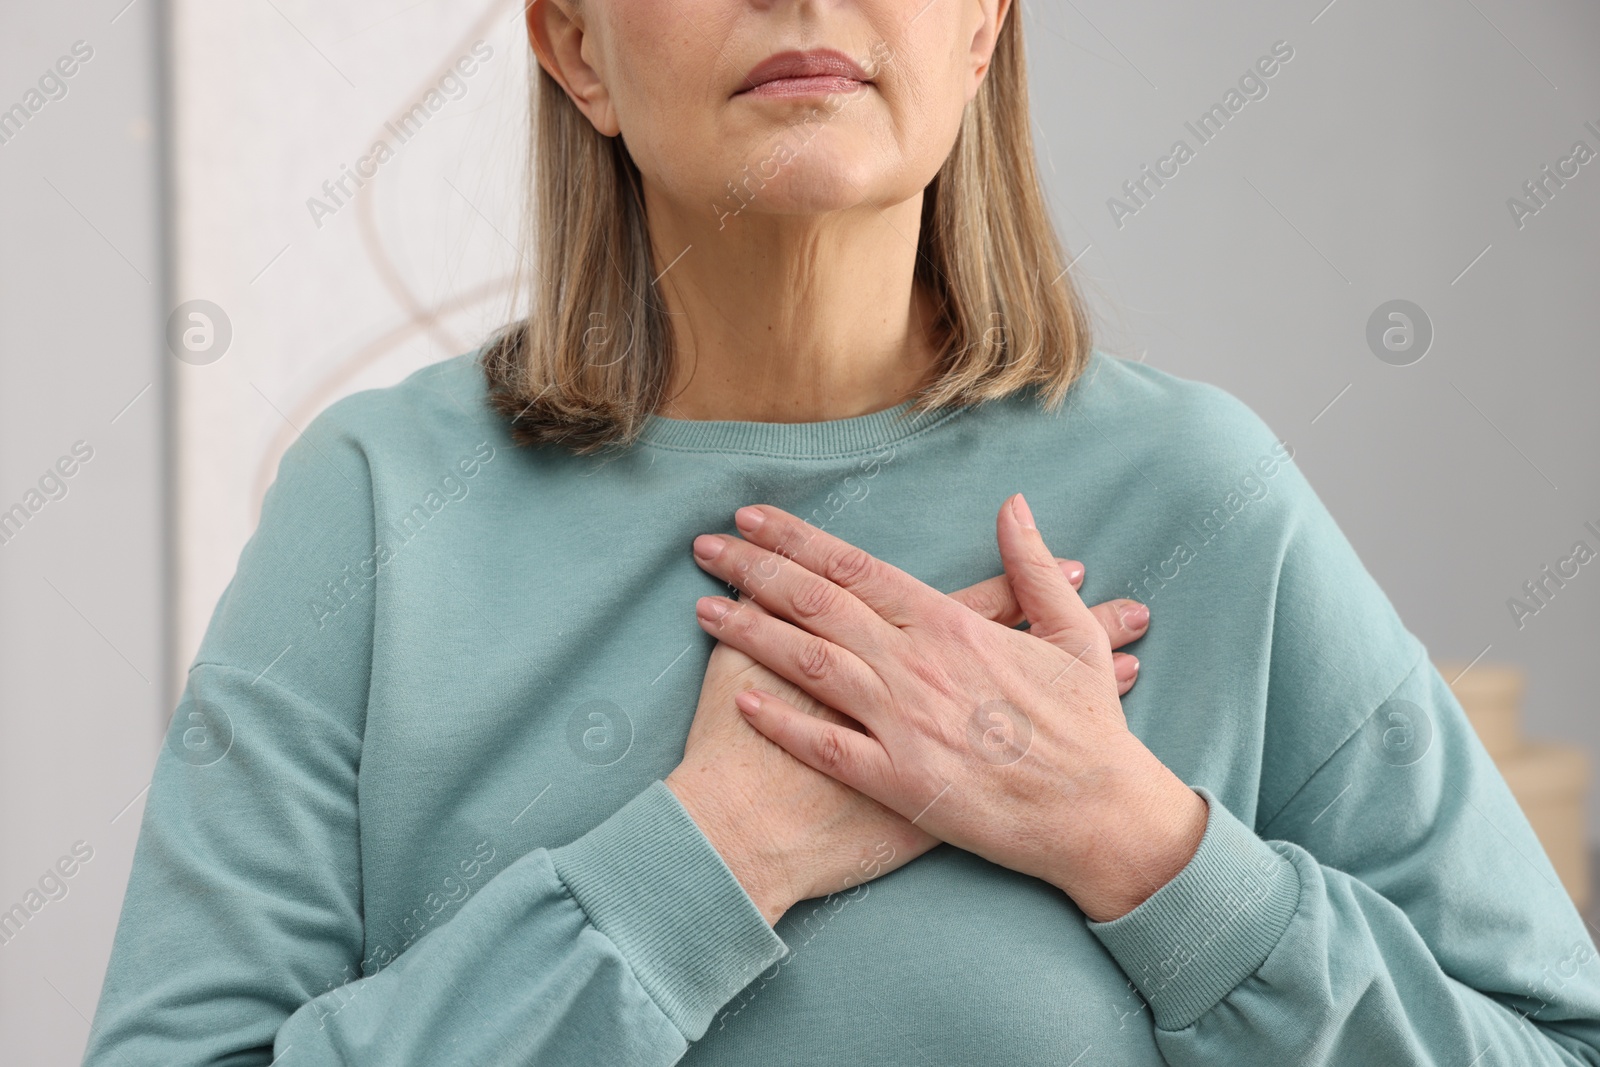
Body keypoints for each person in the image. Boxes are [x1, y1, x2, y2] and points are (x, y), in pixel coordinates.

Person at [84, 1, 1600, 1064]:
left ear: (982, 27)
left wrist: (1136, 845)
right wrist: (710, 857)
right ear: (573, 46)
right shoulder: (371, 505)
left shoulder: (1205, 493)